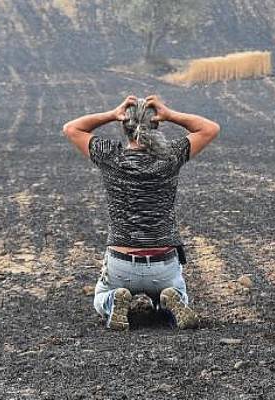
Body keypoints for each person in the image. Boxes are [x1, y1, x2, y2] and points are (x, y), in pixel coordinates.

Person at [62, 95, 220, 330]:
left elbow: (71, 128)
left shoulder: (110, 156)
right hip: (162, 263)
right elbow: (210, 128)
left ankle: (113, 300)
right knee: (179, 293)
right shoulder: (170, 156)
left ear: (124, 126)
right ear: (157, 125)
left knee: (100, 298)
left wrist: (112, 114)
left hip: (121, 263)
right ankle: (168, 299)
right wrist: (170, 113)